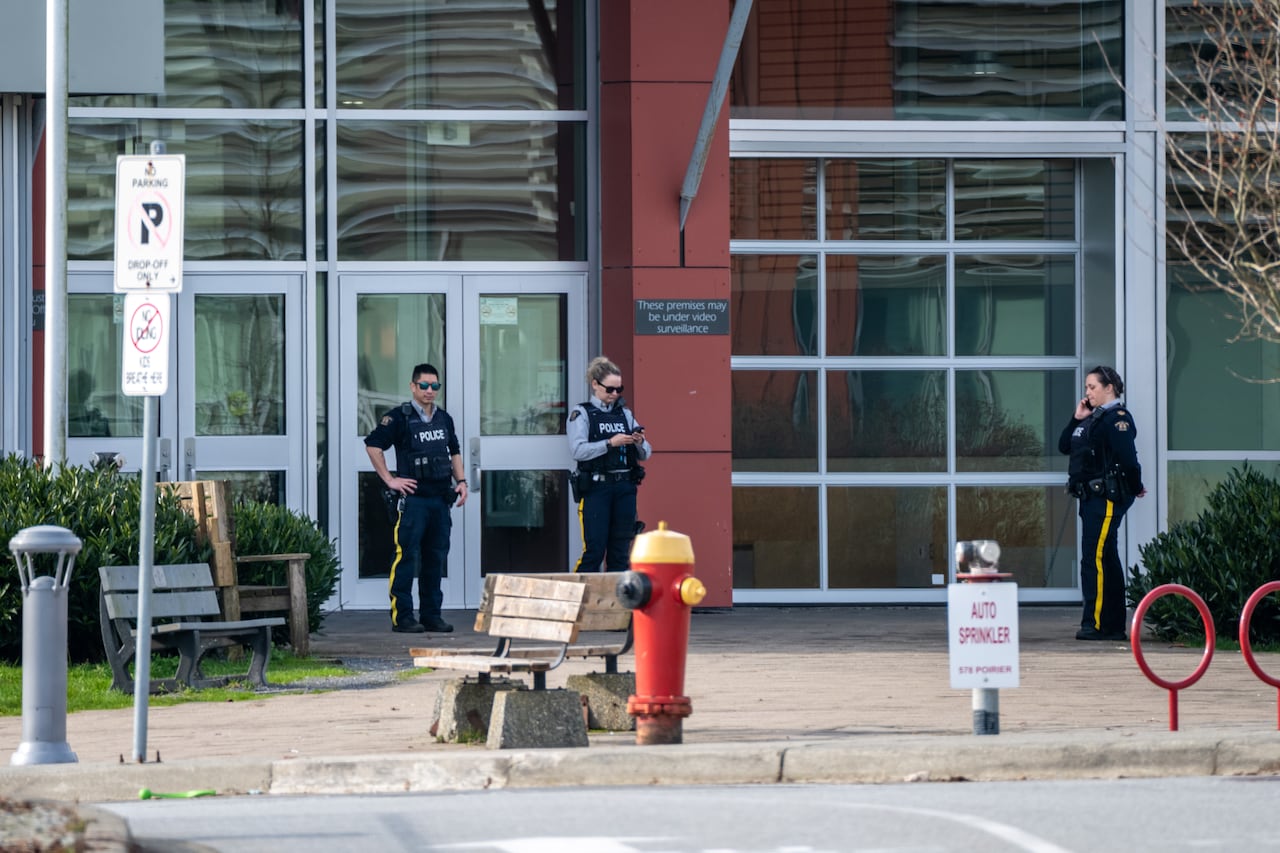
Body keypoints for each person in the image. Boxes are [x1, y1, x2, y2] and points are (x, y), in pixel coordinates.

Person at [365, 363, 468, 633]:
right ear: (413, 386)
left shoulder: (444, 418)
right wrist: (390, 479)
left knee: (435, 558)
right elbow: (373, 445)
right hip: (413, 502)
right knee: (406, 558)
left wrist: (462, 482)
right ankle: (403, 617)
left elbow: (454, 451)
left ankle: (432, 615)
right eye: (424, 385)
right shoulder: (399, 417)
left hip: (439, 500)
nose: (430, 391)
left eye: (435, 386)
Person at [1058, 365, 1146, 642]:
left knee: (1093, 559)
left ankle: (1093, 624)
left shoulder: (1117, 418)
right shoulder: (1093, 418)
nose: (1087, 392)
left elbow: (1128, 458)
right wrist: (1076, 418)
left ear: (1110, 388)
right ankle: (1111, 625)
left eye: (1092, 387)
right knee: (1105, 558)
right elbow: (1064, 445)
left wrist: (1135, 486)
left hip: (1105, 498)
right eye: (1086, 387)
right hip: (1091, 498)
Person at [569, 356, 652, 572]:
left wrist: (639, 442)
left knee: (620, 551)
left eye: (619, 389)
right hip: (597, 488)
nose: (615, 395)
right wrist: (609, 443)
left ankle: (619, 604)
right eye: (610, 389)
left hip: (625, 487)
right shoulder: (582, 413)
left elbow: (646, 453)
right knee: (594, 550)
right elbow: (577, 450)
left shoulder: (624, 414)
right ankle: (580, 602)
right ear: (595, 384)